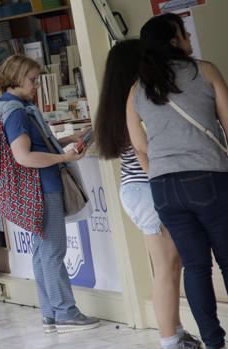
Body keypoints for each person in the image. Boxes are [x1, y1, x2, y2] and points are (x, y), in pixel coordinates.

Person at [126, 14, 228, 349]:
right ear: (174, 41)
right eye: (184, 34)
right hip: (208, 179)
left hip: (164, 187)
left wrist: (158, 172)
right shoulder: (205, 70)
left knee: (196, 268)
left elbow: (139, 147)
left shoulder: (136, 89)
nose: (189, 38)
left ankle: (213, 343)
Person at [94, 39, 202, 349]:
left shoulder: (116, 105)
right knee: (167, 268)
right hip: (149, 189)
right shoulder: (139, 101)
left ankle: (176, 333)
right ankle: (170, 339)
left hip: (136, 190)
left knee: (167, 267)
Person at [0, 55, 99, 334]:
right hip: (42, 186)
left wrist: (67, 140)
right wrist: (62, 158)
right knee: (52, 251)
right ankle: (65, 311)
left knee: (42, 253)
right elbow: (24, 156)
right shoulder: (16, 111)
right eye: (31, 80)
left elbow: (37, 143)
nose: (36, 86)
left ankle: (50, 312)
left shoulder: (9, 106)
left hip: (34, 188)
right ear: (15, 77)